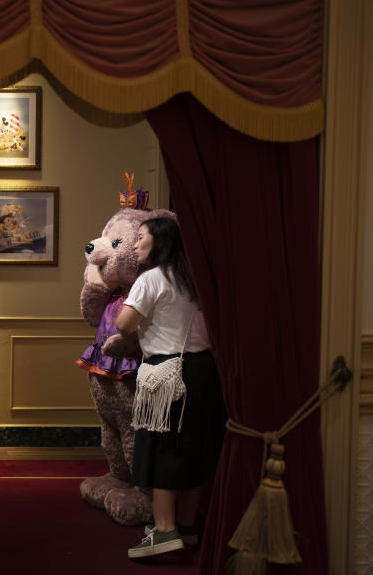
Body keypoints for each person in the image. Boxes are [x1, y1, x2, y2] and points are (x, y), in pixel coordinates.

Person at [114, 217, 226, 559]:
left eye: (141, 237)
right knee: (196, 448)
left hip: (167, 373)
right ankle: (189, 526)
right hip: (205, 371)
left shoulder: (151, 279)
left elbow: (124, 324)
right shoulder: (196, 280)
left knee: (163, 451)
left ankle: (165, 532)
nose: (134, 244)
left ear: (160, 242)